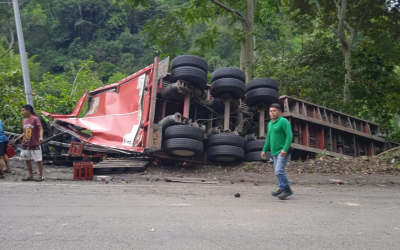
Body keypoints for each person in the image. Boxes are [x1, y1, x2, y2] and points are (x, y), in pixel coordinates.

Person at [261, 103, 294, 200]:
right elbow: (268, 138)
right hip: (274, 151)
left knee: (279, 170)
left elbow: (289, 135)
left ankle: (287, 189)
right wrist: (264, 150)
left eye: (274, 111)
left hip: (282, 151)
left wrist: (285, 149)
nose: (272, 113)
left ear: (279, 112)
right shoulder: (270, 123)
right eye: (270, 111)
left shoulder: (283, 121)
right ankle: (282, 188)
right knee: (277, 171)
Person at [13, 104, 45, 181]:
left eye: (23, 110)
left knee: (38, 159)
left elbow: (40, 129)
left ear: (28, 111)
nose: (22, 112)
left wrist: (41, 137)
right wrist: (18, 137)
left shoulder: (35, 119)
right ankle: (31, 175)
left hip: (35, 142)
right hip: (26, 142)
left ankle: (40, 176)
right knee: (27, 159)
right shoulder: (24, 120)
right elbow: (25, 131)